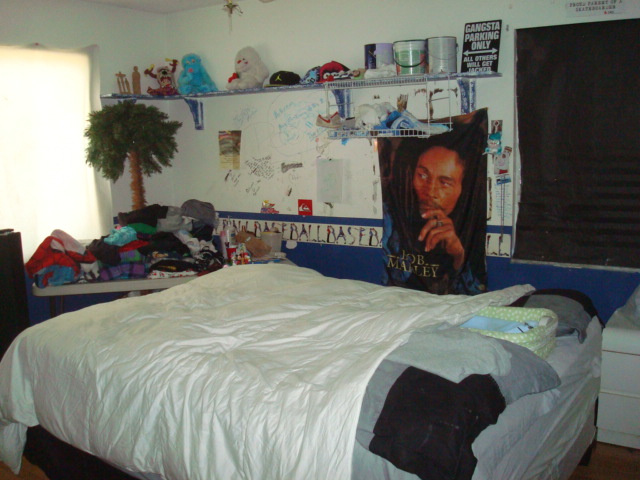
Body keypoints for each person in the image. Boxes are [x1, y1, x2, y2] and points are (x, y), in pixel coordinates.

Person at [380, 109, 488, 295]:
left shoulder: (472, 227)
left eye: (444, 183)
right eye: (422, 175)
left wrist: (458, 256)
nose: (430, 192)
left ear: (462, 188)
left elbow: (473, 292)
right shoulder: (394, 215)